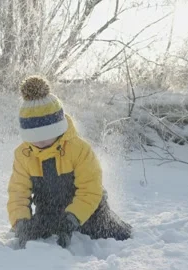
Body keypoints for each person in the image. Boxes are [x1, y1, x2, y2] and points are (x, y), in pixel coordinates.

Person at [7, 75, 132, 249]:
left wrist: (72, 219)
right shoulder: (23, 154)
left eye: (45, 134)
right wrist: (20, 223)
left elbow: (90, 189)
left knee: (116, 235)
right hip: (49, 212)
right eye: (34, 137)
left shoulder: (79, 149)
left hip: (89, 211)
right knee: (31, 233)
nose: (40, 142)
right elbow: (18, 194)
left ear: (58, 126)